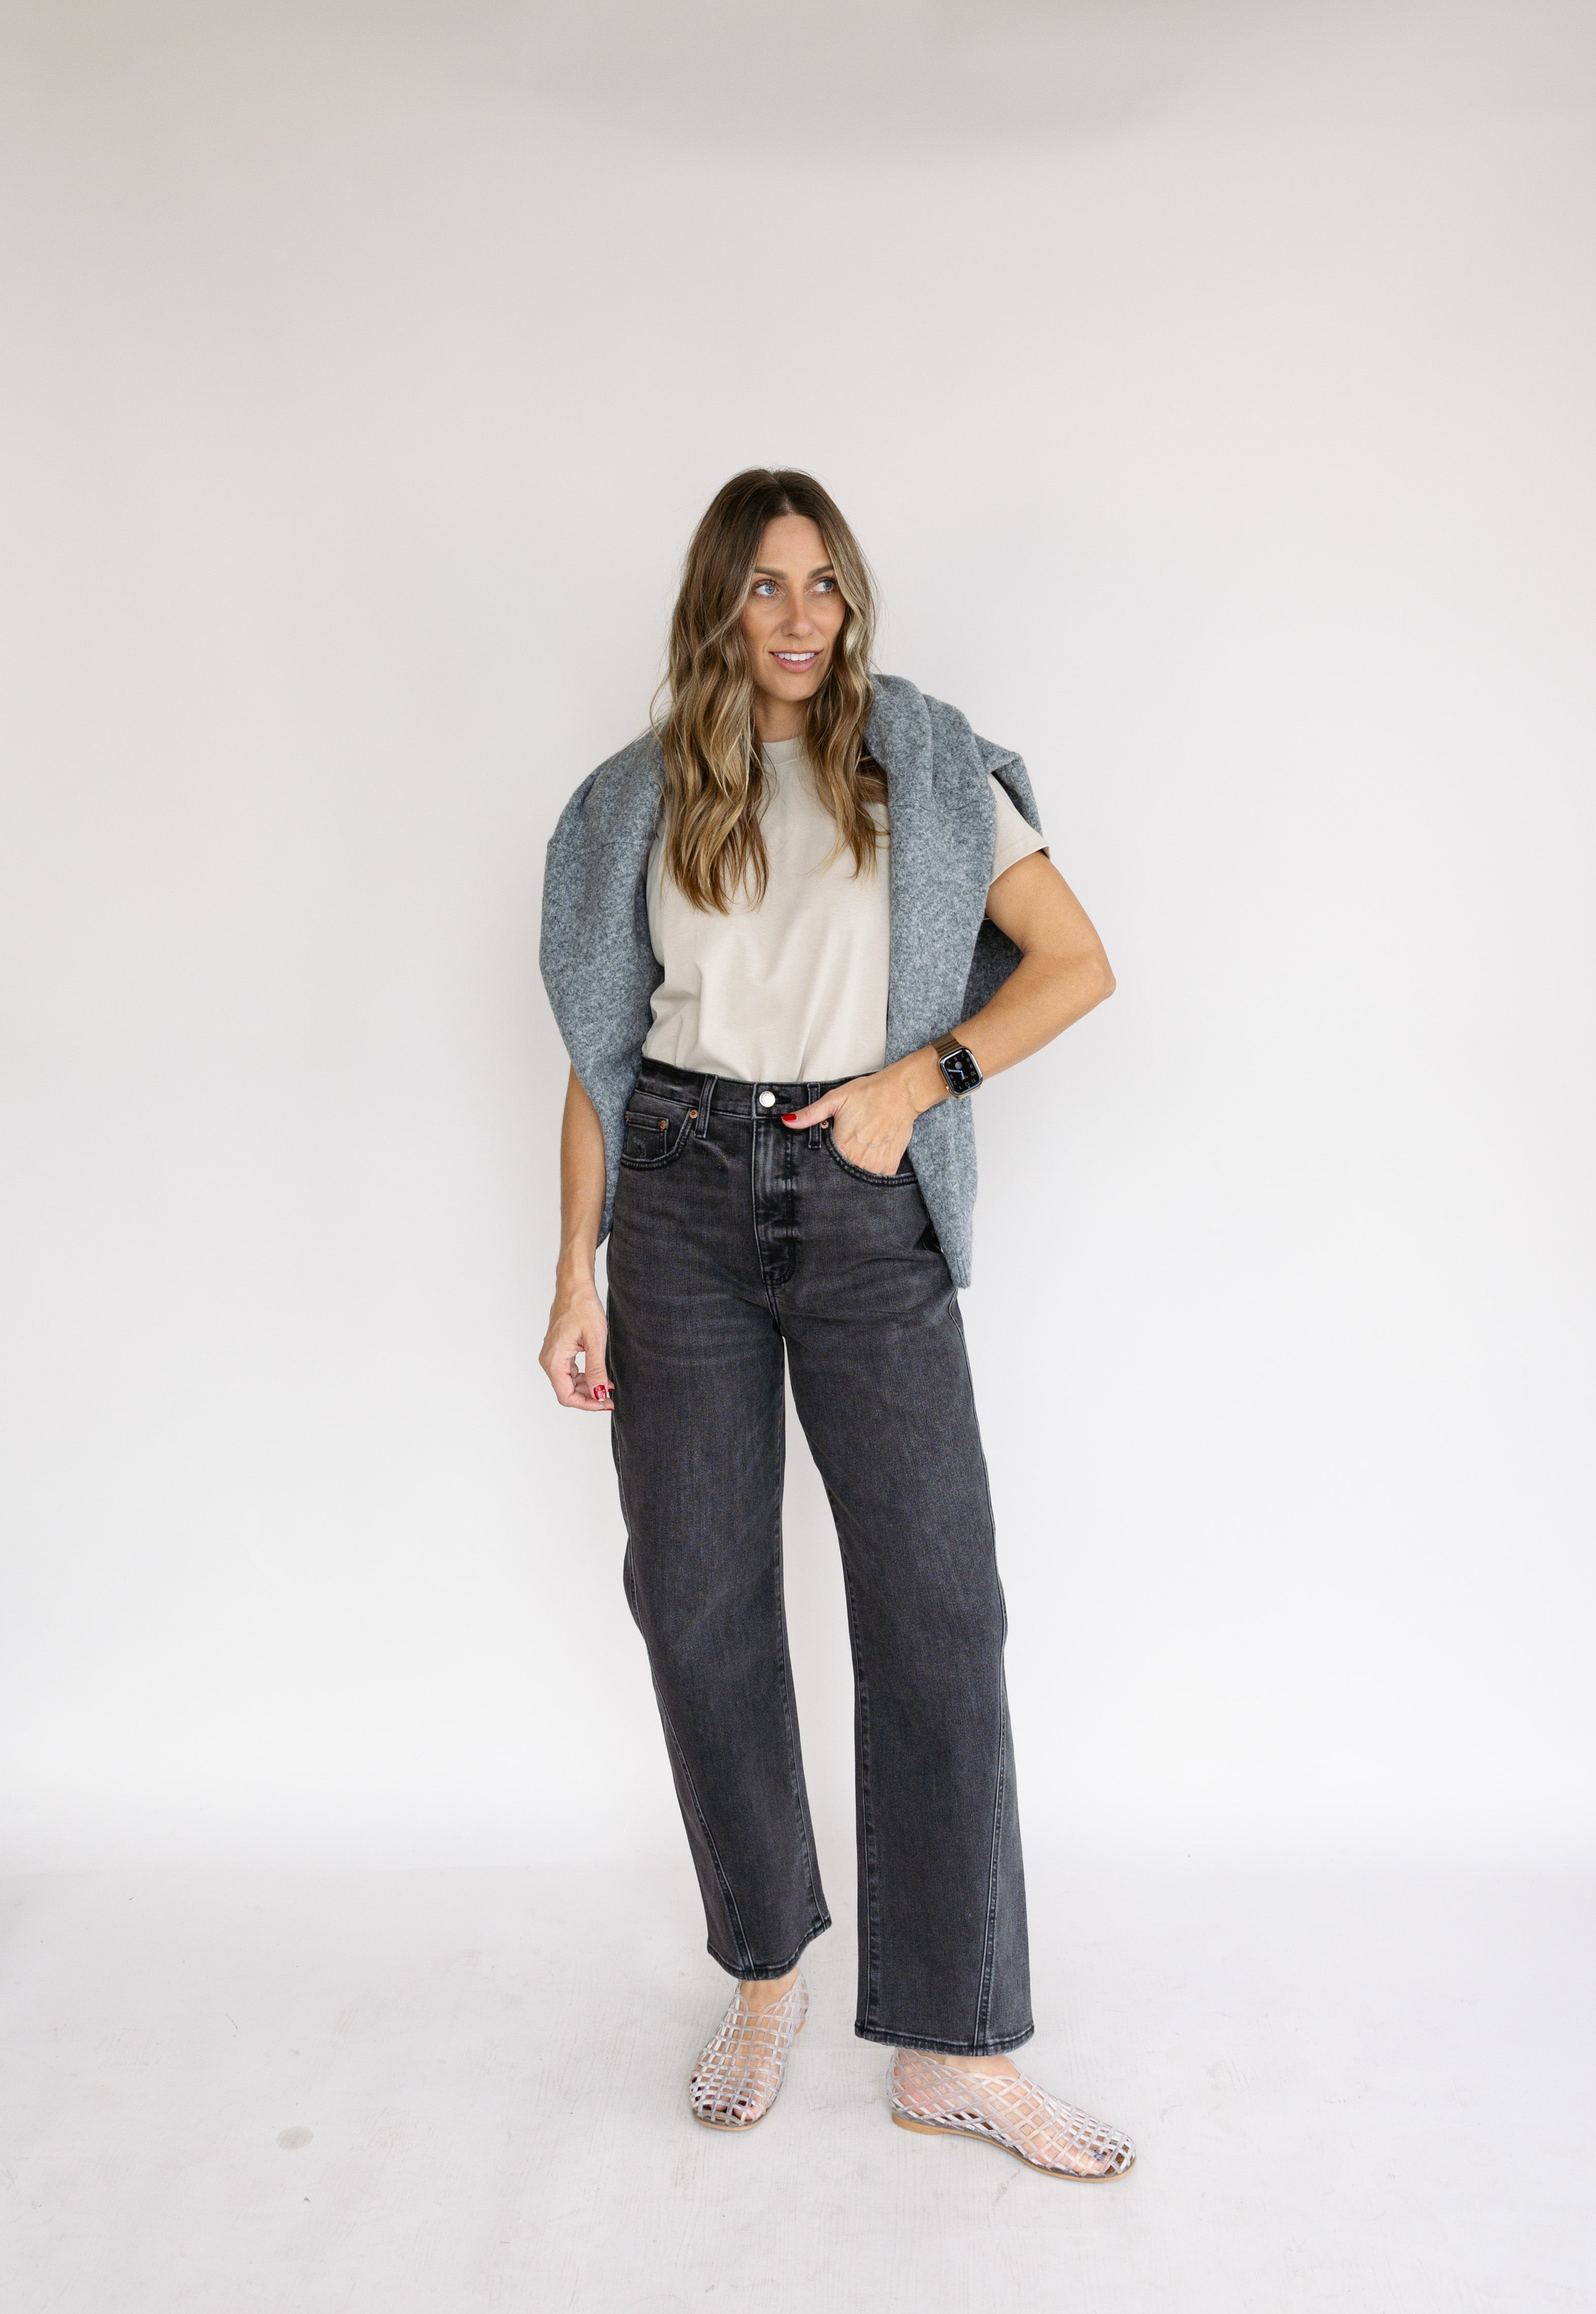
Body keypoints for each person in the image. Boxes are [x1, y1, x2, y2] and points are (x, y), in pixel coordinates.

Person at [537, 469, 1133, 2180]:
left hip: (868, 1202)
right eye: (764, 587)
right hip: (674, 1199)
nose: (798, 618)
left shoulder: (926, 766)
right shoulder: (632, 799)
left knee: (939, 1606)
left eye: (823, 585)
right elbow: (598, 1058)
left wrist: (916, 1082)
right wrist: (572, 1267)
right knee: (698, 1600)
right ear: (716, 607)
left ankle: (954, 2043)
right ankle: (764, 1973)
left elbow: (1074, 964)